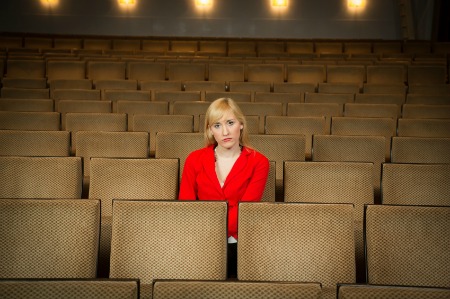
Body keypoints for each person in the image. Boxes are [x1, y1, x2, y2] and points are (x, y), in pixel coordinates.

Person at [178, 97, 269, 278]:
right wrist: (206, 235)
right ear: (210, 130)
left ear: (241, 124)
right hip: (199, 239)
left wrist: (215, 232)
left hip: (240, 242)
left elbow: (246, 210)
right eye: (217, 125)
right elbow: (186, 206)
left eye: (230, 122)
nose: (225, 131)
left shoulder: (259, 162)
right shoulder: (194, 159)